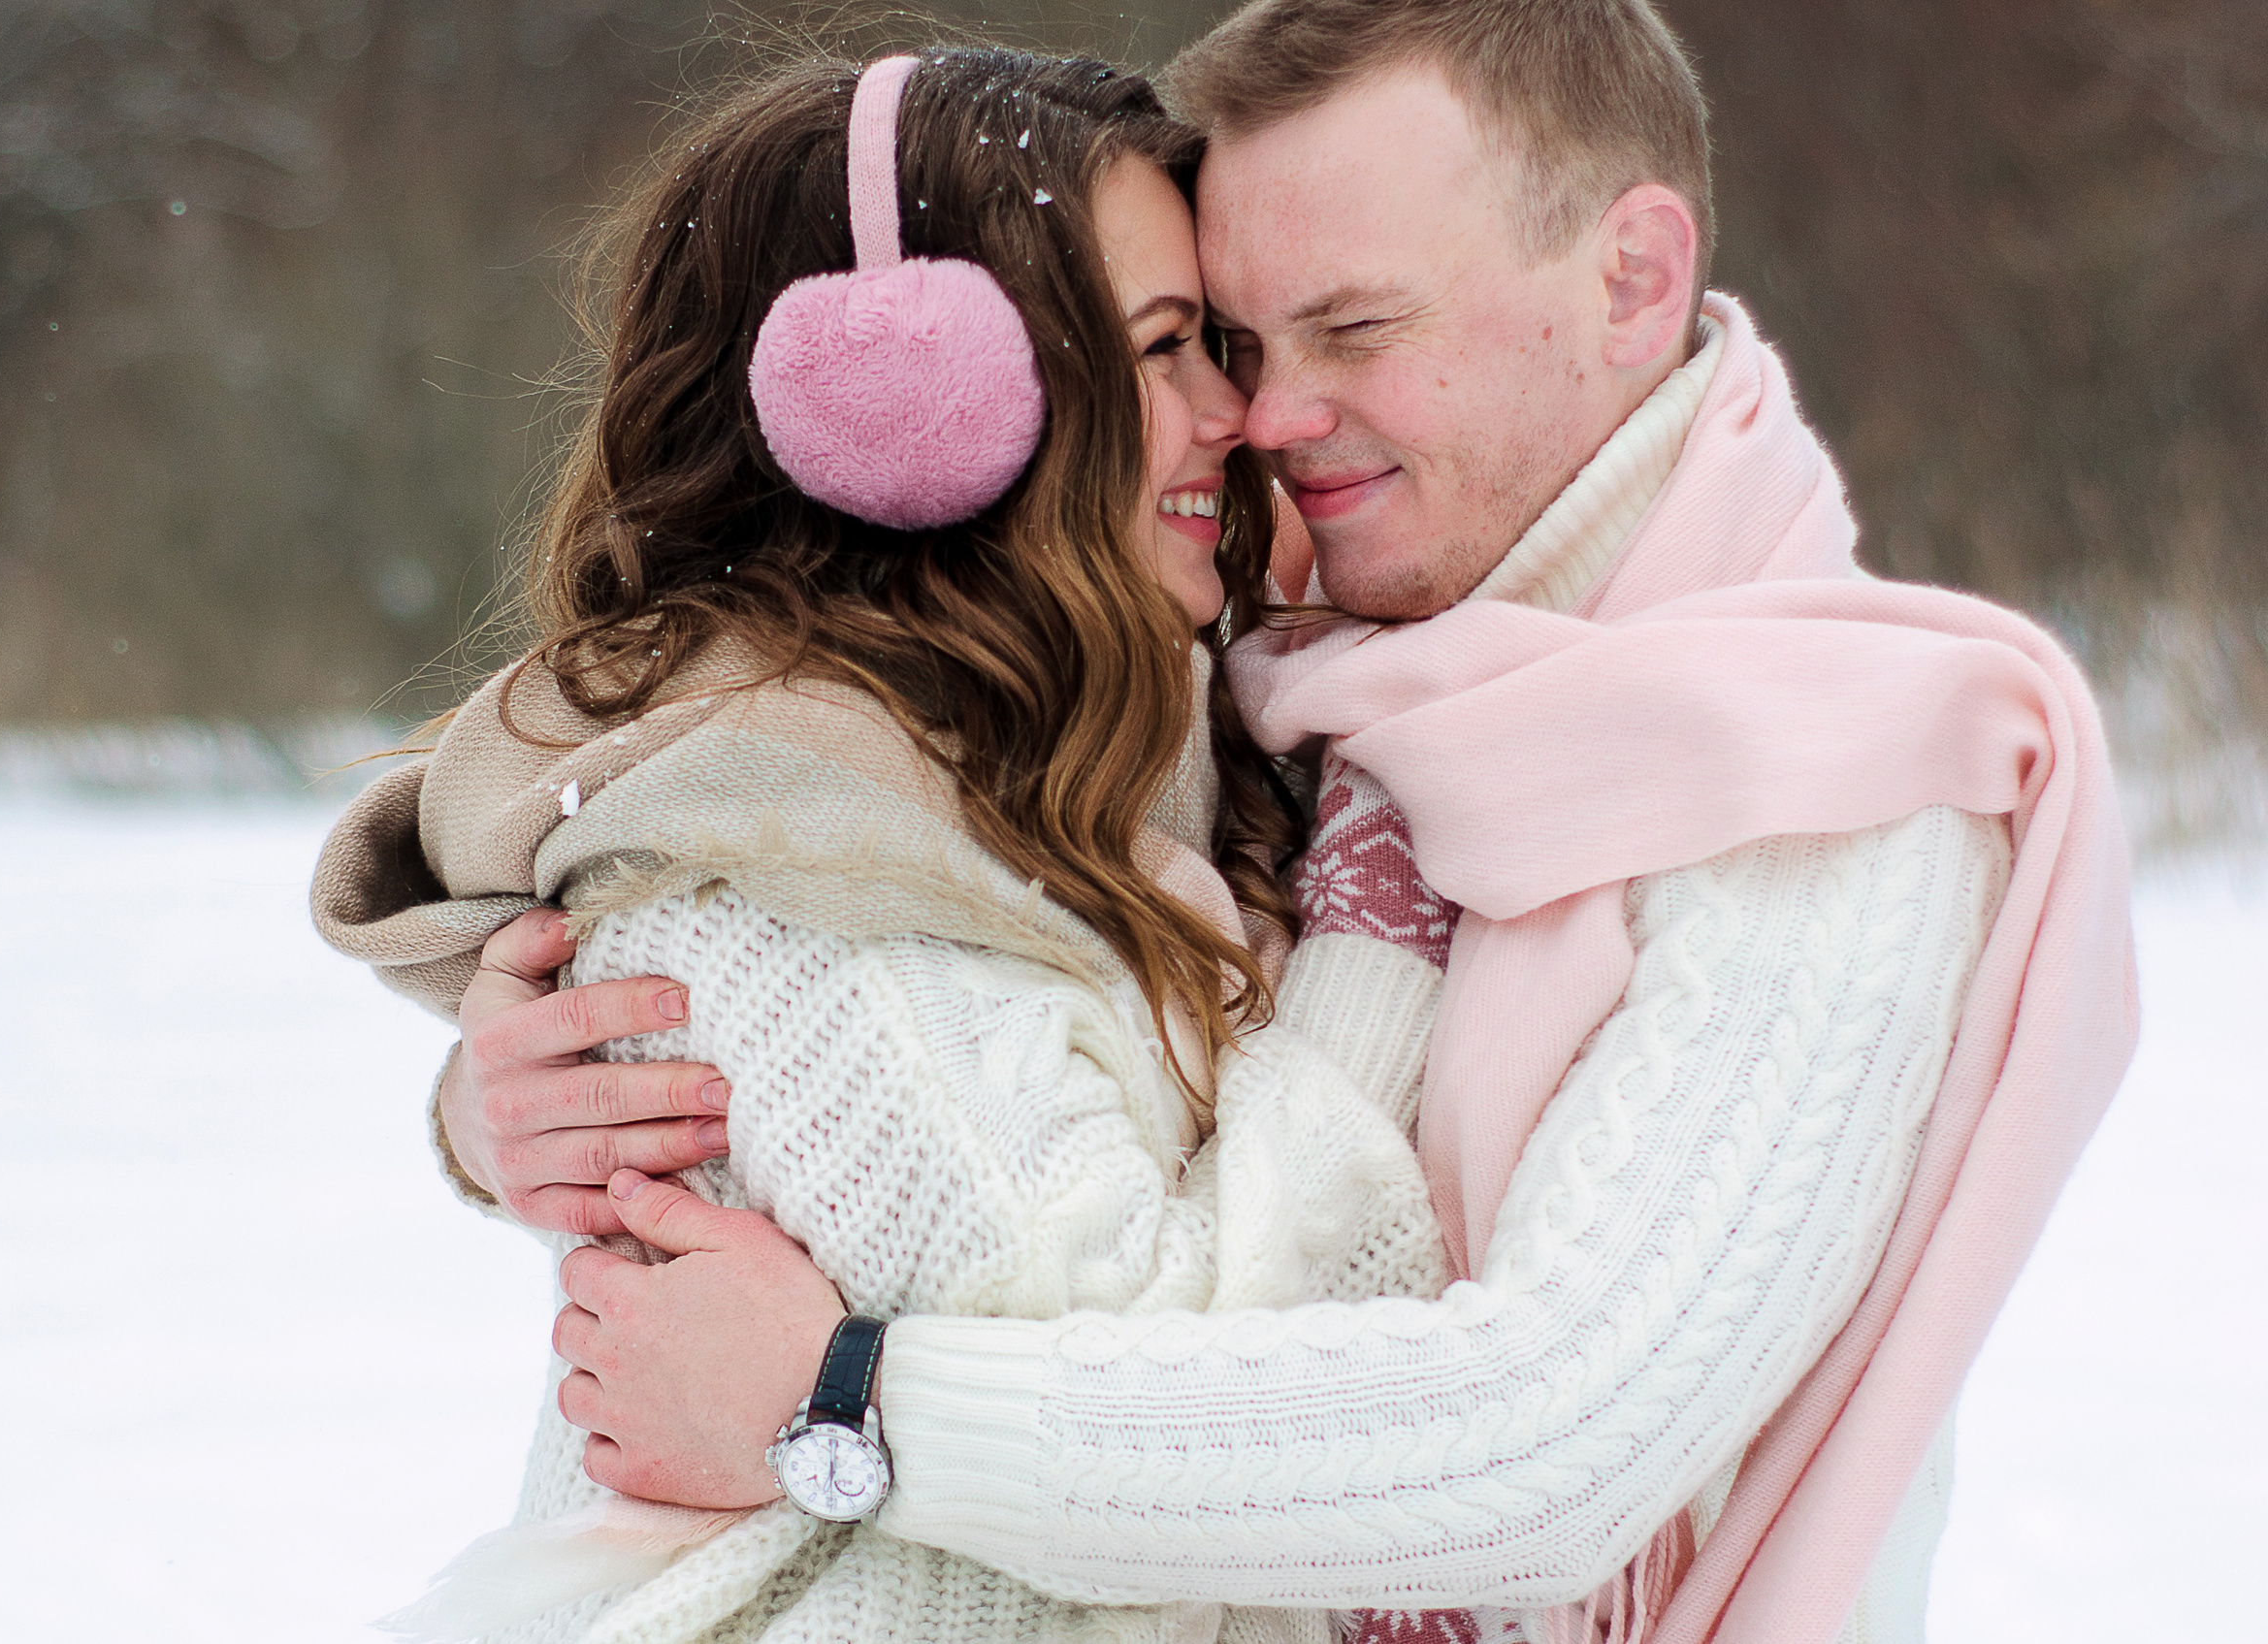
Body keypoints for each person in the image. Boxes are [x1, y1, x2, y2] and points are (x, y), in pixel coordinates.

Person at [411, 4, 2140, 1644]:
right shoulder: (1311, 665)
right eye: (1227, 342)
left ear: (1632, 278)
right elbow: (881, 933)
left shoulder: (1827, 787)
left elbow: (1556, 1444)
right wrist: (535, 1090)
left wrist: (848, 1395)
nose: (1271, 420)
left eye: (1358, 329)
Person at [316, 44, 1470, 1644]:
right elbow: (1265, 1375)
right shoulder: (808, 892)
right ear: (918, 413)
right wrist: (1373, 950)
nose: (1236, 411)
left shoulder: (1058, 784)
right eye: (1161, 350)